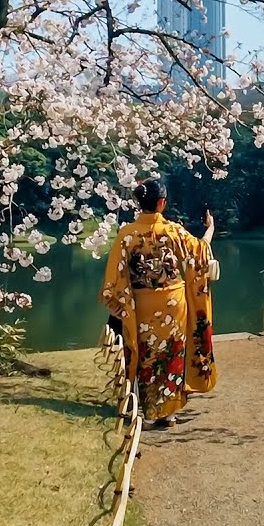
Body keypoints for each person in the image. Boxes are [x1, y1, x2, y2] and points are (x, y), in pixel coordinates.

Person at [99, 180, 218, 428]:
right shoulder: (173, 231)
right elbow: (201, 252)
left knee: (143, 354)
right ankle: (169, 413)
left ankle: (141, 407)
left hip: (140, 306)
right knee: (172, 353)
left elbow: (115, 275)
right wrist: (210, 228)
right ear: (162, 203)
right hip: (173, 303)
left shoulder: (127, 234)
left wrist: (118, 303)